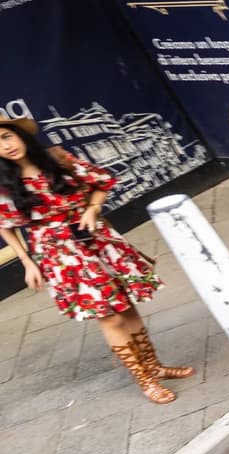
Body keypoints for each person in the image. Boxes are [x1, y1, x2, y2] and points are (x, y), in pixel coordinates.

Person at [0, 117, 192, 403]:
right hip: (61, 254)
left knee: (127, 307)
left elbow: (102, 181)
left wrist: (92, 208)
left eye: (6, 136)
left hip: (97, 239)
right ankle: (145, 381)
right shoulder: (5, 185)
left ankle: (154, 367)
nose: (5, 146)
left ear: (19, 135)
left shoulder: (57, 159)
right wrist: (28, 262)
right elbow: (6, 225)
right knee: (109, 315)